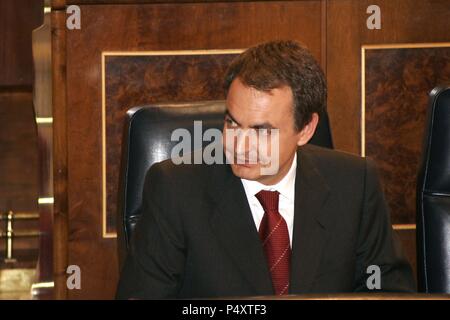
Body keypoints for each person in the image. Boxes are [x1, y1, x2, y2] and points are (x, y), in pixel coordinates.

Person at [116, 40, 415, 299]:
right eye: (232, 123)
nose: (240, 145)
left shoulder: (354, 184)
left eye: (262, 131)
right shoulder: (175, 189)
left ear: (306, 129)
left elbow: (387, 293)